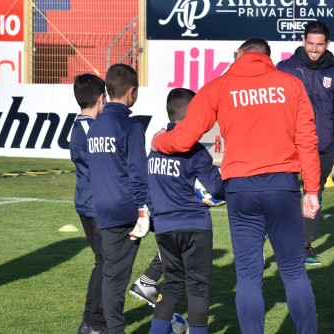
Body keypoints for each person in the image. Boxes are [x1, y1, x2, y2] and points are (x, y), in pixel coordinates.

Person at [151, 37, 320, 334]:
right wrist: (313, 189)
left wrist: (158, 140)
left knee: (249, 276)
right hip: (282, 186)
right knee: (294, 272)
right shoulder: (290, 84)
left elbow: (183, 138)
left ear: (239, 54)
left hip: (240, 189)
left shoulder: (219, 86)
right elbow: (307, 139)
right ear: (268, 56)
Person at [147, 88, 223, 334]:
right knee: (198, 287)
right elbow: (216, 187)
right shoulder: (194, 150)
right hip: (194, 225)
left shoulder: (155, 147)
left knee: (172, 285)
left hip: (165, 227)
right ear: (193, 115)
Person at [86, 63, 153, 334]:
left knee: (112, 275)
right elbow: (138, 172)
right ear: (132, 91)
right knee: (179, 244)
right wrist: (143, 209)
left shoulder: (94, 125)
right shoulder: (131, 126)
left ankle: (113, 328)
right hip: (127, 210)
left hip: (103, 209)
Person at [277, 20, 334, 265]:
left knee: (313, 195)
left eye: (320, 44)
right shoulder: (285, 69)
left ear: (327, 44)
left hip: (323, 148)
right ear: (303, 41)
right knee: (285, 194)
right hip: (289, 145)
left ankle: (304, 246)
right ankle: (283, 243)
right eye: (311, 43)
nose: (315, 49)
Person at [70, 73, 107, 334]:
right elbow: (100, 167)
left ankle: (90, 321)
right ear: (101, 99)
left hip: (88, 202)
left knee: (103, 260)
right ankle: (94, 321)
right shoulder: (88, 129)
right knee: (106, 262)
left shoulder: (81, 126)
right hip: (94, 205)